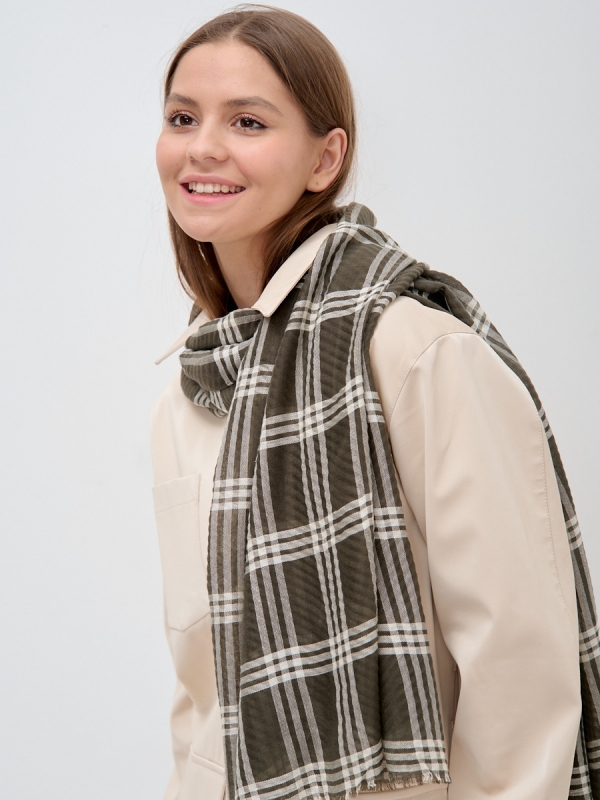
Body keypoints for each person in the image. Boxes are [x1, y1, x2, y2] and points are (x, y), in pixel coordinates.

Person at [150, 6, 600, 800]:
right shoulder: (192, 392)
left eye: (248, 121)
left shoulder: (414, 349)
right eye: (183, 117)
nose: (203, 147)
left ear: (326, 159)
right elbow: (204, 696)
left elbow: (520, 669)